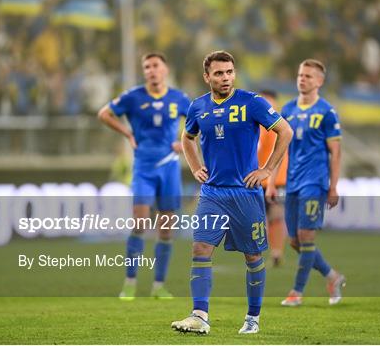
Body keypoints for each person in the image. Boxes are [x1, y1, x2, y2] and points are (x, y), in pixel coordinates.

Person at [171, 51, 292, 335]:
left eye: (229, 72)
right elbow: (187, 138)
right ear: (207, 77)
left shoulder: (252, 102)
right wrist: (195, 166)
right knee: (200, 248)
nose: (225, 78)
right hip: (212, 192)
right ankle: (200, 315)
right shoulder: (198, 107)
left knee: (252, 257)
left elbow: (285, 131)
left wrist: (267, 170)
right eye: (218, 73)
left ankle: (253, 318)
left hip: (245, 192)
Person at [98, 53, 191, 300]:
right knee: (139, 222)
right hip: (144, 168)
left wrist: (185, 142)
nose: (150, 70)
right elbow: (104, 114)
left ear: (165, 69)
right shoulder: (133, 96)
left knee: (167, 230)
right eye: (146, 67)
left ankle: (159, 286)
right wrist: (127, 134)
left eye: (155, 66)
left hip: (170, 168)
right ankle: (129, 282)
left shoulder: (179, 98)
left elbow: (200, 123)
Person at [268, 59, 346, 307]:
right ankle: (332, 276)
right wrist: (271, 181)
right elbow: (280, 150)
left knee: (306, 236)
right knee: (295, 241)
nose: (303, 79)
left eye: (309, 76)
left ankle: (296, 292)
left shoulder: (326, 112)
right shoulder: (288, 110)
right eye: (301, 75)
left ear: (319, 82)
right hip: (292, 182)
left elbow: (336, 152)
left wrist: (333, 186)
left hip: (315, 182)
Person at [257, 89, 288, 267]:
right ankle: (269, 251)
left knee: (275, 216)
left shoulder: (277, 123)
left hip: (278, 179)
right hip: (260, 179)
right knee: (263, 218)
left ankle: (276, 253)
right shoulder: (260, 124)